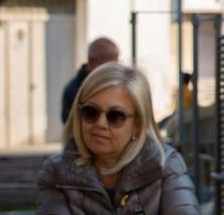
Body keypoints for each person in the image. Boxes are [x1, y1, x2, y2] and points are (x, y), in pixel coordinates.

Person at [38, 63, 198, 214]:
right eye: (91, 112)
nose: (100, 124)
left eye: (115, 116)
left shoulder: (165, 165)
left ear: (138, 124)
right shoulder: (57, 172)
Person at [61, 37, 119, 123]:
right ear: (91, 63)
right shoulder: (75, 91)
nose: (114, 69)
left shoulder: (118, 85)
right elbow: (71, 126)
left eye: (116, 64)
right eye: (108, 65)